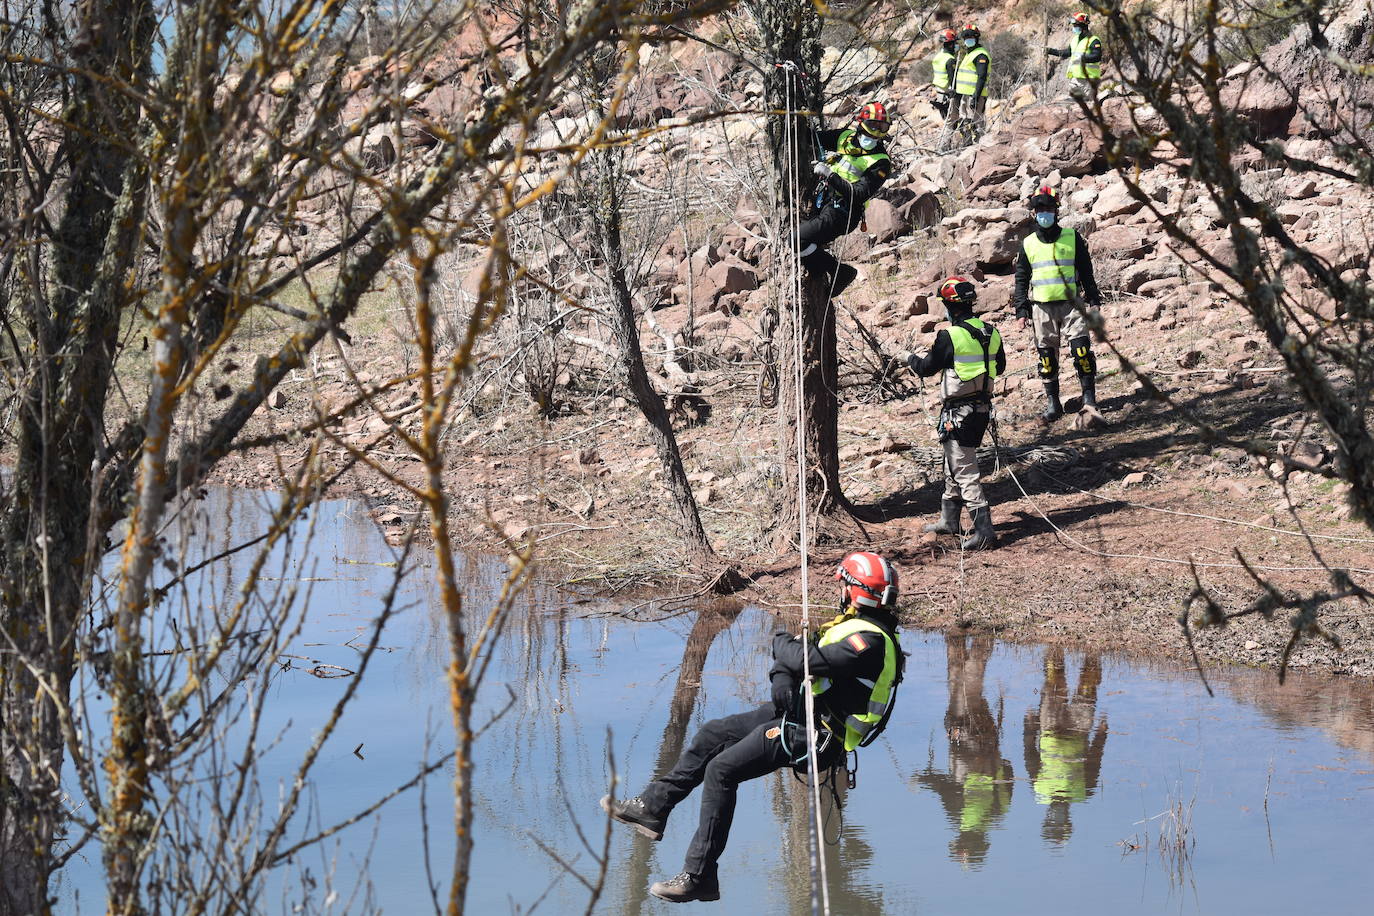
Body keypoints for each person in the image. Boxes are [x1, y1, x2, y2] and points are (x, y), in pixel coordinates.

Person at [601, 552, 905, 904]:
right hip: (800, 714)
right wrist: (781, 675)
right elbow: (797, 657)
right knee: (713, 734)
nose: (840, 592)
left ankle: (699, 876)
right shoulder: (851, 627)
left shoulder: (870, 642)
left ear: (855, 592)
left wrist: (781, 650)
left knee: (721, 770)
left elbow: (805, 658)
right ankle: (653, 807)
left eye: (844, 586)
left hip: (818, 736)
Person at [905, 276, 1006, 550]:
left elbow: (927, 367)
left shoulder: (950, 336)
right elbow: (1001, 365)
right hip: (981, 409)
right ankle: (949, 521)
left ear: (950, 306)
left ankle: (984, 532)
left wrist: (909, 359)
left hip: (958, 413)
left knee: (964, 471)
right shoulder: (991, 332)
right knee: (954, 464)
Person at [1012, 185, 1103, 422]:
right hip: (1041, 308)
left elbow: (1086, 270)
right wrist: (1021, 309)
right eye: (1040, 209)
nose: (1045, 213)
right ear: (1033, 213)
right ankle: (1053, 404)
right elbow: (1021, 279)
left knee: (1081, 351)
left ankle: (1089, 400)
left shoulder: (1072, 237)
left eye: (1049, 208)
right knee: (1046, 358)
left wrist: (1093, 298)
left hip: (1072, 305)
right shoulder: (1028, 243)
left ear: (1056, 210)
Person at [798, 102, 893, 298]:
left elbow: (859, 193)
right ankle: (817, 269)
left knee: (796, 239)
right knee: (803, 241)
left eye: (883, 128)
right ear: (861, 123)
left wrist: (830, 175)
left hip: (843, 213)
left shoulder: (880, 162)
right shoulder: (845, 137)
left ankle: (840, 271)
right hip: (823, 202)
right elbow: (811, 138)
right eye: (873, 126)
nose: (877, 133)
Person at [1023, 648, 1108, 846]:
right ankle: (1093, 650)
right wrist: (1101, 733)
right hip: (1079, 730)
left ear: (1047, 818)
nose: (1056, 817)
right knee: (1087, 688)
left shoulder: (1039, 789)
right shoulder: (1083, 792)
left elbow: (1030, 755)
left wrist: (1030, 727)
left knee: (1054, 685)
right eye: (1060, 822)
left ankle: (1054, 646)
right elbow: (1095, 760)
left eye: (1053, 821)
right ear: (1068, 821)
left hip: (1050, 730)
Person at [1045, 12, 1104, 98]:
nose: (1074, 27)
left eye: (1076, 25)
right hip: (1075, 79)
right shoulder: (1075, 39)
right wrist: (1050, 51)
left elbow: (1097, 56)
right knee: (1076, 105)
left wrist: (1082, 58)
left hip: (1089, 80)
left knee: (1088, 106)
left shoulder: (1094, 40)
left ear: (1083, 25)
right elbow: (1067, 53)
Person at [948, 23, 991, 139]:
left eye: (970, 37)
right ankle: (967, 146)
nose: (968, 40)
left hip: (975, 95)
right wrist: (955, 90)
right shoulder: (969, 54)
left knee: (976, 124)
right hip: (965, 96)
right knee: (965, 122)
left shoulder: (981, 55)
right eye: (966, 38)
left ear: (976, 38)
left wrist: (976, 96)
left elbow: (981, 77)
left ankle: (980, 146)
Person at [929, 29, 959, 118]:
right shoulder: (950, 59)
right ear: (950, 45)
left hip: (939, 91)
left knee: (945, 117)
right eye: (954, 43)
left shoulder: (938, 56)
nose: (956, 45)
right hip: (948, 93)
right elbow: (952, 79)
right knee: (951, 120)